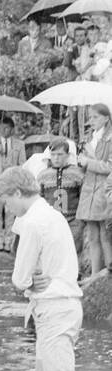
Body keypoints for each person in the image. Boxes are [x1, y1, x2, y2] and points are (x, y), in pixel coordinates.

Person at [0, 167, 83, 371]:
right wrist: (30, 281)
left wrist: (28, 282)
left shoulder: (33, 223)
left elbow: (20, 278)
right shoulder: (52, 215)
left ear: (18, 193)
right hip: (63, 305)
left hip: (54, 307)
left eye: (7, 202)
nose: (7, 208)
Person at [75, 102, 112, 277]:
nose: (92, 120)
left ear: (106, 118)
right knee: (93, 236)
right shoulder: (88, 139)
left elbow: (109, 167)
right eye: (90, 117)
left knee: (105, 235)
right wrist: (80, 160)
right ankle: (95, 275)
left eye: (96, 117)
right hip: (88, 191)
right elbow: (83, 169)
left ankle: (108, 273)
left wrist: (89, 162)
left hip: (104, 191)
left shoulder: (110, 139)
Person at [0, 117, 26, 252]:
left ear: (12, 129)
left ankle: (9, 241)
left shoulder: (19, 144)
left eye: (6, 128)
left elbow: (23, 164)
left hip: (11, 183)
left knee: (10, 214)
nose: (3, 130)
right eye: (1, 127)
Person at [36, 140, 84, 243]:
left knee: (73, 253)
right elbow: (38, 200)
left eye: (60, 154)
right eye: (53, 155)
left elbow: (83, 198)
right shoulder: (43, 175)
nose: (56, 158)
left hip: (73, 222)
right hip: (51, 222)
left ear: (67, 155)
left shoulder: (78, 173)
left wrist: (80, 220)